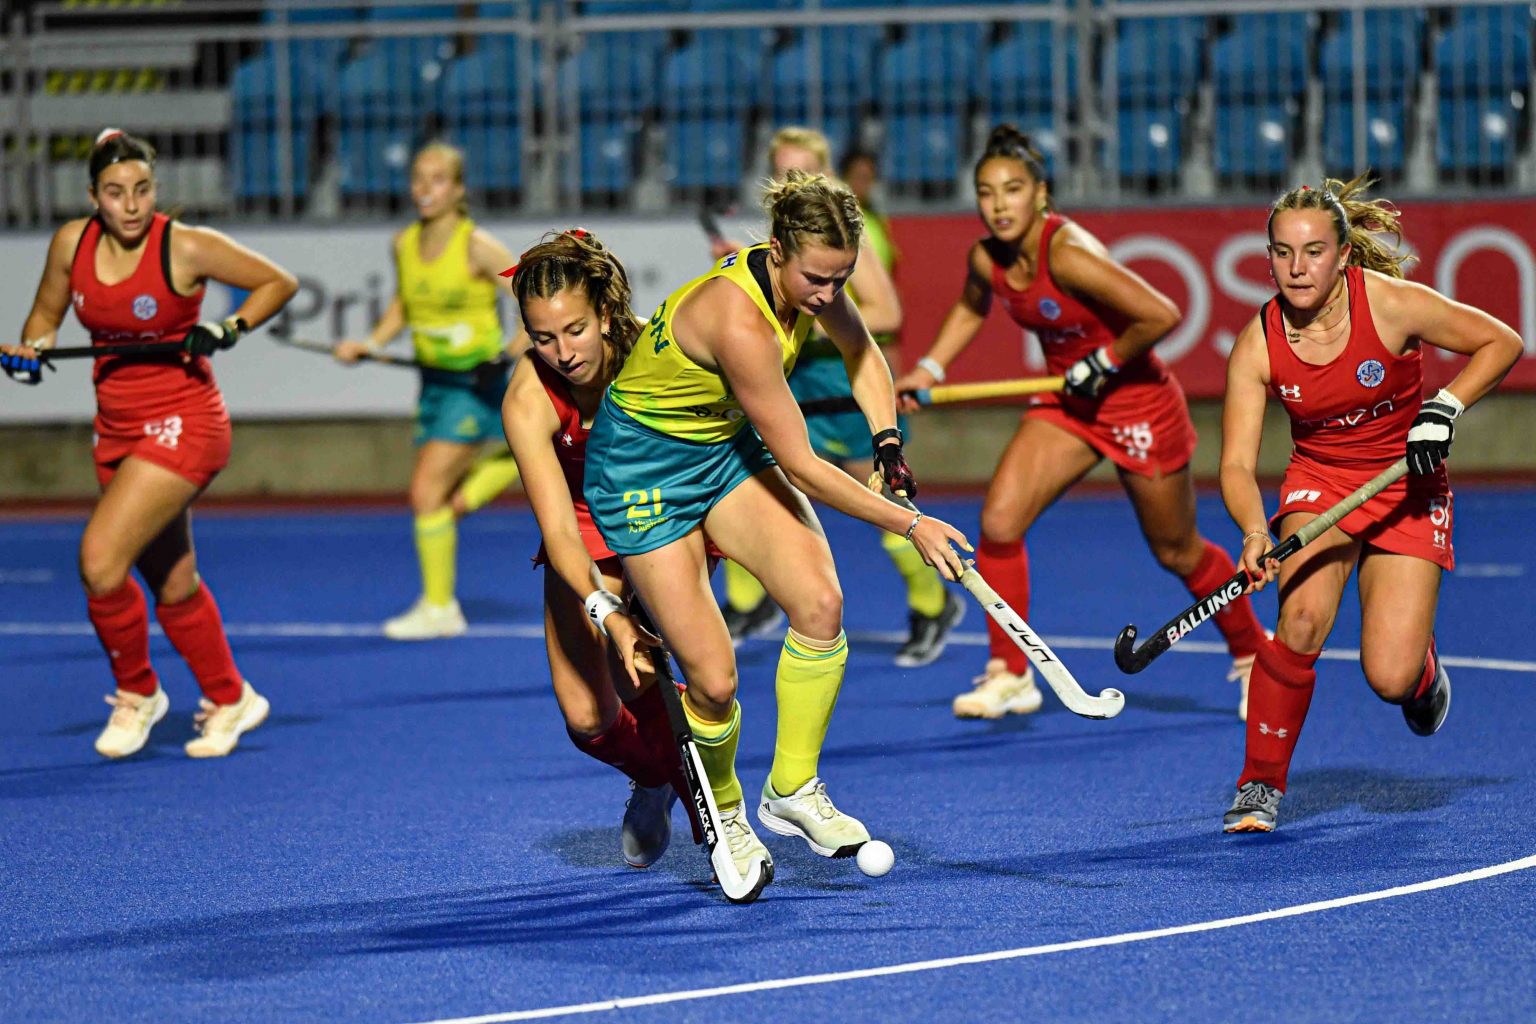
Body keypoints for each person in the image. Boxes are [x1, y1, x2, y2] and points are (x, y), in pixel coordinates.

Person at [585, 170, 972, 899]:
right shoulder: (740, 321)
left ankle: (791, 787)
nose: (830, 295)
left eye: (841, 278)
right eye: (818, 280)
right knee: (714, 678)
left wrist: (887, 442)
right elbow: (804, 466)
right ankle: (727, 810)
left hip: (721, 447)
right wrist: (912, 522)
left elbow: (862, 354)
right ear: (776, 249)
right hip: (643, 471)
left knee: (820, 603)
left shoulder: (812, 279)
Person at [895, 124, 1269, 720]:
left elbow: (1161, 314)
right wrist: (930, 367)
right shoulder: (986, 257)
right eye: (987, 193)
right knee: (998, 522)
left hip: (1138, 405)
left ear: (1041, 193)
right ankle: (1010, 673)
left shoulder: (1066, 253)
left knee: (1178, 552)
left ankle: (1255, 657)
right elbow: (972, 304)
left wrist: (1105, 359)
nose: (998, 205)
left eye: (1012, 189)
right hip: (1070, 407)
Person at [1218, 175, 1522, 833]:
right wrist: (1251, 529)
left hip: (1405, 485)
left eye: (1314, 252)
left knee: (1389, 675)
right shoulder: (1258, 344)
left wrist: (1443, 408)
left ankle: (1423, 673)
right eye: (1282, 252)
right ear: (1267, 256)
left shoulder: (1389, 305)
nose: (1297, 269)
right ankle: (1259, 785)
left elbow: (1502, 341)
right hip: (1321, 481)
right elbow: (1237, 465)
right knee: (1298, 619)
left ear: (1344, 255)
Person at [2, 128, 298, 759]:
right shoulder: (70, 245)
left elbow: (278, 283)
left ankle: (137, 693)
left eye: (141, 189)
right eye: (115, 193)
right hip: (116, 428)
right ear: (93, 197)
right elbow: (45, 319)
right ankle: (231, 697)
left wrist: (229, 326)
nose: (131, 204)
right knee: (172, 581)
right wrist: (33, 350)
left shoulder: (184, 245)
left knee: (100, 560)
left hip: (186, 421)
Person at [713, 127, 962, 668]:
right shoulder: (787, 237)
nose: (790, 181)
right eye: (782, 172)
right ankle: (748, 602)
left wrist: (800, 312)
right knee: (750, 478)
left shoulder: (855, 231)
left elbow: (886, 314)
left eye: (802, 171)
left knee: (883, 503)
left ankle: (931, 605)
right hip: (796, 381)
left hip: (840, 389)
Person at [499, 229, 691, 868]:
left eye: (576, 331)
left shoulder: (656, 353)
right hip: (582, 522)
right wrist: (606, 610)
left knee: (636, 675)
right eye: (542, 337)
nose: (562, 353)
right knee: (586, 721)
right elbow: (557, 531)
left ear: (605, 313)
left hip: (666, 504)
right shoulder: (528, 396)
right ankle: (662, 771)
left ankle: (714, 805)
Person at [334, 142, 525, 640]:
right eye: (418, 178)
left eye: (438, 179)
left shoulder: (478, 246)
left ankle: (439, 607)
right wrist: (371, 343)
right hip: (435, 385)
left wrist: (507, 354)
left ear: (458, 189)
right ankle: (518, 461)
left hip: (475, 384)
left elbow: (534, 297)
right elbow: (404, 304)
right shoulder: (402, 244)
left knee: (424, 492)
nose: (424, 189)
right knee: (439, 499)